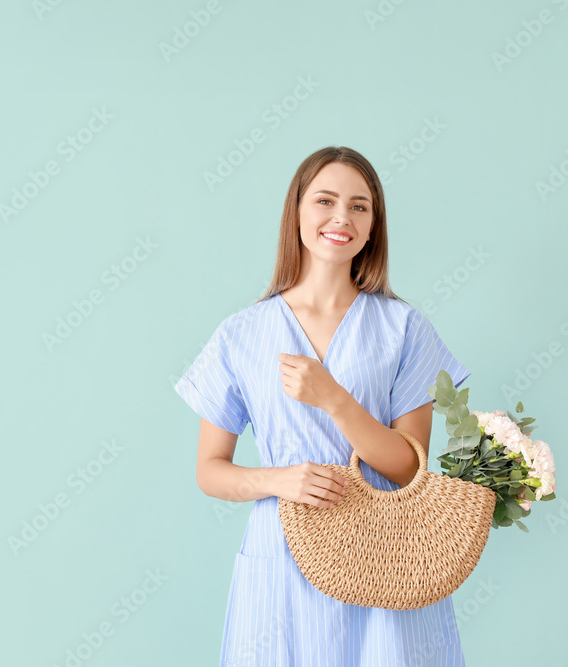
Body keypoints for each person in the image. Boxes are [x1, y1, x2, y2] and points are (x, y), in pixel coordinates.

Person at [174, 145, 471, 665]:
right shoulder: (241, 334)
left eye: (360, 206)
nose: (341, 218)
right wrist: (278, 479)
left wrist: (334, 399)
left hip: (384, 556)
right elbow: (208, 470)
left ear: (374, 226)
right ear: (296, 213)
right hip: (281, 560)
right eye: (325, 201)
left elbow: (409, 468)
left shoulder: (404, 328)